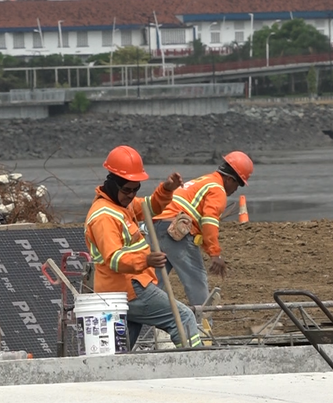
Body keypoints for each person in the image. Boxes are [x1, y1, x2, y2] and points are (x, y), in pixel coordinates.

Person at [84, 145, 202, 349]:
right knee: (183, 318)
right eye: (127, 190)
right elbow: (114, 258)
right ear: (112, 184)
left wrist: (166, 189)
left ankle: (113, 377)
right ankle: (199, 364)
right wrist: (145, 260)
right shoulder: (104, 216)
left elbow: (149, 207)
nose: (131, 195)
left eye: (135, 189)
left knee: (121, 347)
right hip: (127, 289)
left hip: (126, 289)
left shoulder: (120, 204)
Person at [152, 151, 254, 320]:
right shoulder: (217, 190)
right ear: (229, 179)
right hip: (177, 231)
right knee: (197, 282)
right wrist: (215, 254)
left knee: (151, 284)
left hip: (158, 226)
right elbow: (209, 221)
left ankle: (142, 333)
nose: (236, 190)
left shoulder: (206, 180)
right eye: (238, 185)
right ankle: (204, 331)